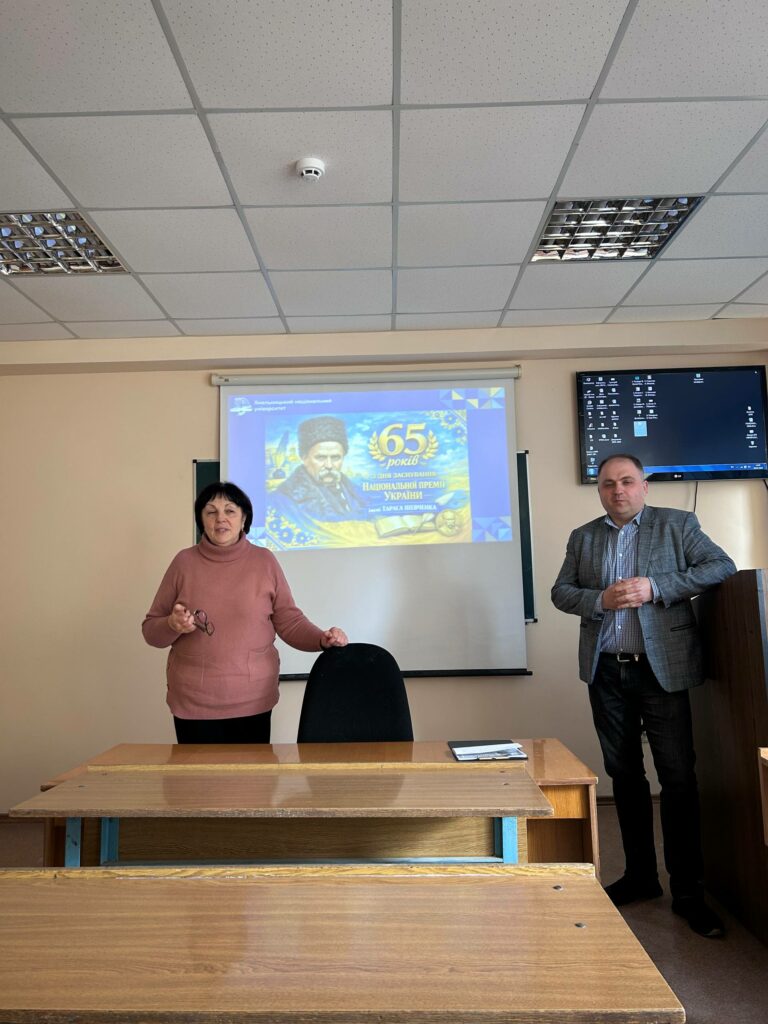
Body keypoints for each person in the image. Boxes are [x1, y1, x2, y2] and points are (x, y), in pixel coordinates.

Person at [551, 454, 736, 938]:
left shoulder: (679, 525)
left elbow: (722, 566)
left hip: (662, 672)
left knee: (677, 778)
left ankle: (688, 891)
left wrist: (656, 587)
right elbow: (561, 592)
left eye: (627, 481)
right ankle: (640, 877)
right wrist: (599, 599)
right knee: (625, 776)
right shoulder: (583, 537)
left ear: (644, 486)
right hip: (606, 672)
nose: (618, 490)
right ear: (599, 490)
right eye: (608, 484)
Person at [142, 481, 348, 743]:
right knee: (196, 772)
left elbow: (290, 622)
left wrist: (321, 639)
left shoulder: (264, 561)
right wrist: (172, 625)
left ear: (244, 519)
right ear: (201, 520)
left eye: (230, 511)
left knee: (252, 771)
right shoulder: (183, 563)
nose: (220, 519)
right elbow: (151, 631)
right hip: (193, 702)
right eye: (211, 512)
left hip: (253, 700)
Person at [274, 415, 368, 521]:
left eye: (335, 457)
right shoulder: (285, 499)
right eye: (320, 457)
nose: (329, 465)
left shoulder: (355, 491)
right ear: (304, 458)